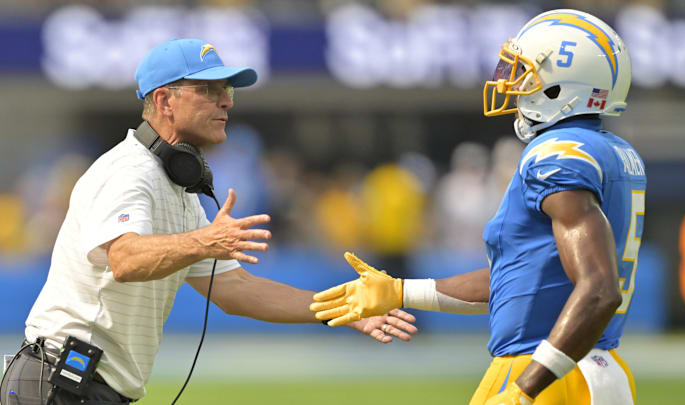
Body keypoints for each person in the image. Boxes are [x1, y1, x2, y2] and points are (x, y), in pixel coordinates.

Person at [0, 38, 416, 404]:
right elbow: (124, 259)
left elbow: (236, 291)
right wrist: (205, 241)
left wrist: (344, 308)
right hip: (61, 386)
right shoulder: (129, 172)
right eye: (209, 89)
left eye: (227, 89)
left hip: (78, 387)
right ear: (164, 101)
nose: (228, 101)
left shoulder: (176, 187)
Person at [311, 9, 644, 405]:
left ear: (561, 86)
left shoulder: (557, 154)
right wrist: (400, 291)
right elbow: (519, 279)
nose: (510, 82)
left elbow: (599, 290)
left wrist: (525, 388)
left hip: (548, 373)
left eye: (525, 72)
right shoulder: (613, 151)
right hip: (597, 371)